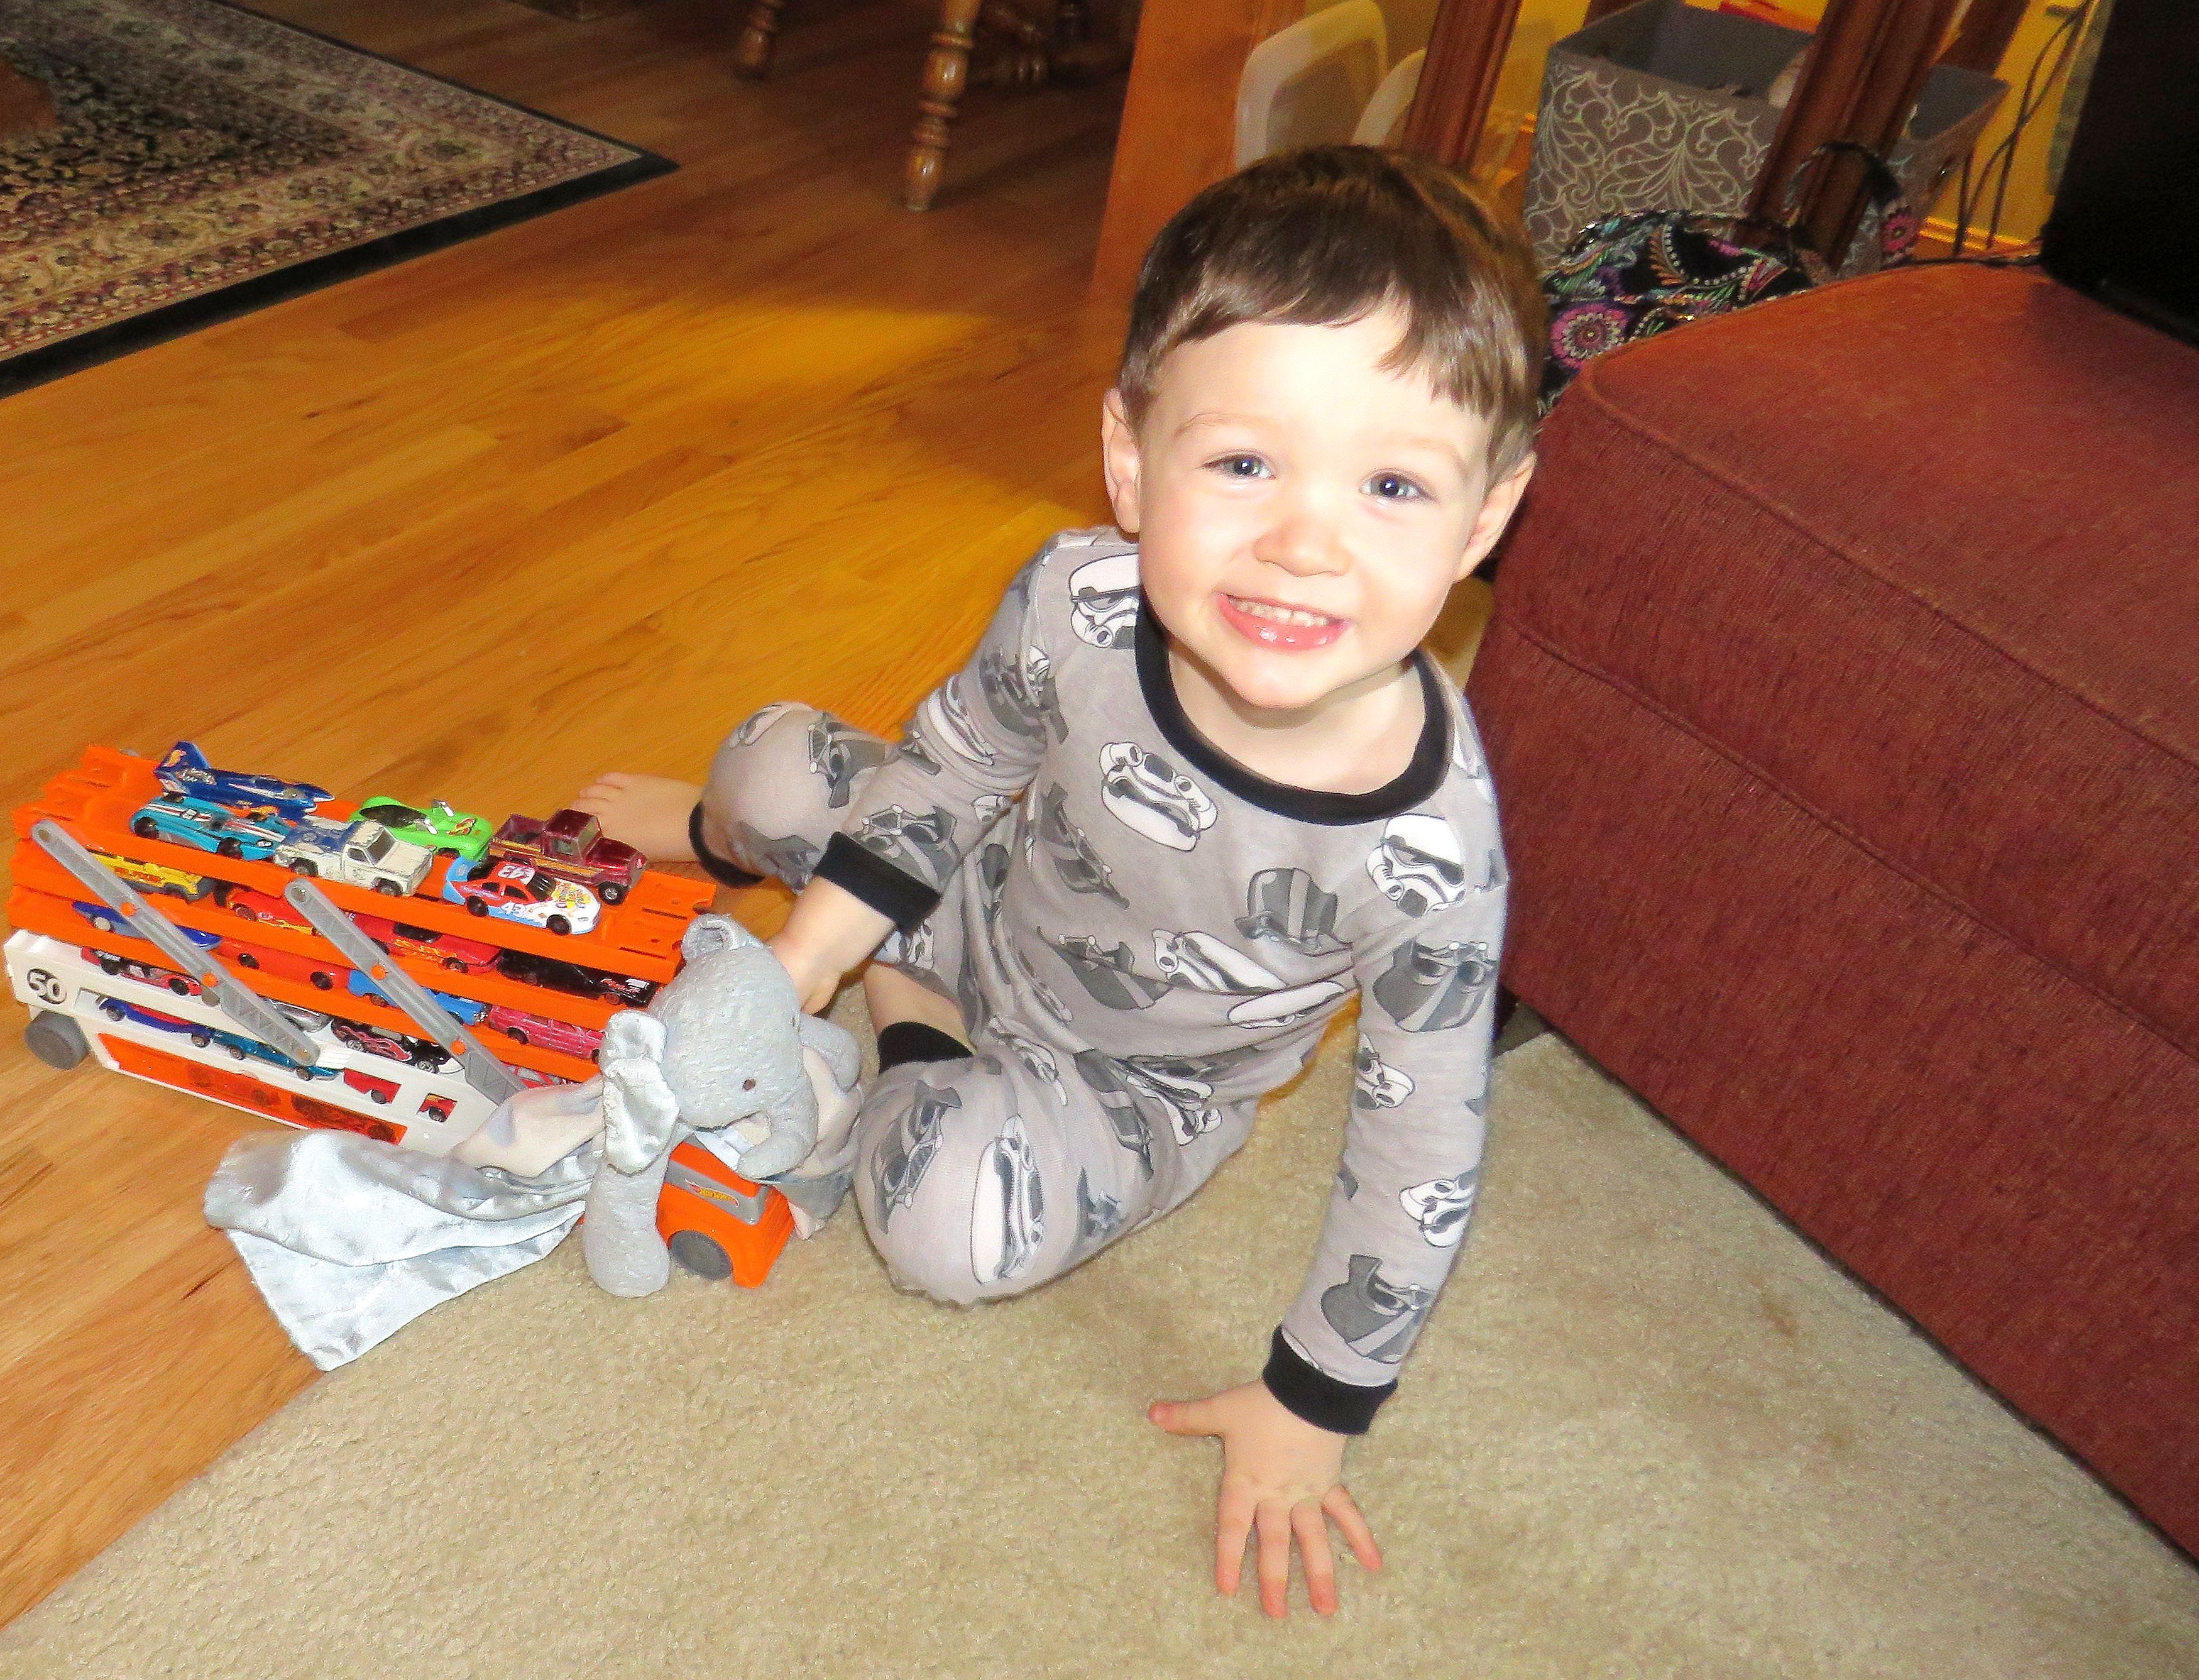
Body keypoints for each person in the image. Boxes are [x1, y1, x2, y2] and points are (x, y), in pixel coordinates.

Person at [576, 145, 1542, 1619]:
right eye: (1243, 463)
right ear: (1129, 460)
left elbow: (1419, 1147)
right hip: (990, 885)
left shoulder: (1431, 856)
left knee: (948, 1233)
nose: (1303, 541)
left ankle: (909, 1021)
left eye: (1392, 484)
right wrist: (795, 963)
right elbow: (953, 765)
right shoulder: (1078, 599)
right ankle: (751, 865)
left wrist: (1315, 1399)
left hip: (1140, 1085)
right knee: (766, 769)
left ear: (1481, 521)